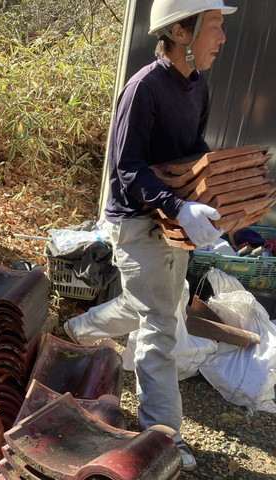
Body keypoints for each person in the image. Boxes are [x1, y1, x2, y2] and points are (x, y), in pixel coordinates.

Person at [64, 0, 237, 472]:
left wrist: (208, 197)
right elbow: (128, 167)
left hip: (172, 222)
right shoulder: (144, 88)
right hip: (138, 223)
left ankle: (78, 329)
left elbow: (194, 149)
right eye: (215, 27)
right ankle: (162, 436)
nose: (222, 39)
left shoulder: (197, 86)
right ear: (182, 30)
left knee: (163, 303)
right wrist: (178, 205)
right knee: (160, 327)